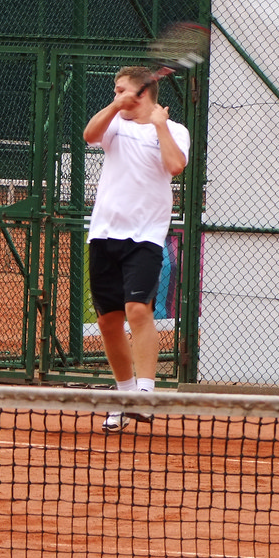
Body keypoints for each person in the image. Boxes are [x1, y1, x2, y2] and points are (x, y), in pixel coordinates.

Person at [84, 65, 190, 431]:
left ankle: (145, 394)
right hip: (103, 235)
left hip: (145, 237)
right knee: (108, 320)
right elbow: (89, 135)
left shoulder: (175, 130)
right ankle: (125, 396)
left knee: (137, 309)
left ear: (142, 93)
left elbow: (175, 166)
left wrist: (160, 125)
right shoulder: (114, 123)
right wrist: (116, 105)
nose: (116, 95)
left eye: (121, 90)